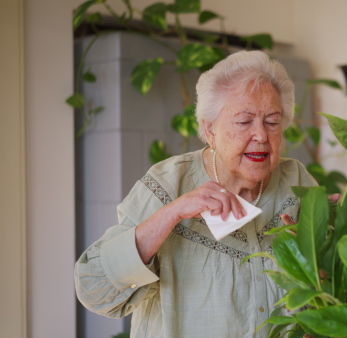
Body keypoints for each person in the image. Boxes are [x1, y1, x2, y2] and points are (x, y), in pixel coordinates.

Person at [74, 50, 321, 337]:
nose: (262, 136)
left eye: (272, 121)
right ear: (210, 128)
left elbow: (327, 286)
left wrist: (329, 240)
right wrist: (172, 212)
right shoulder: (167, 184)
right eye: (244, 122)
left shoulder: (296, 180)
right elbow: (93, 289)